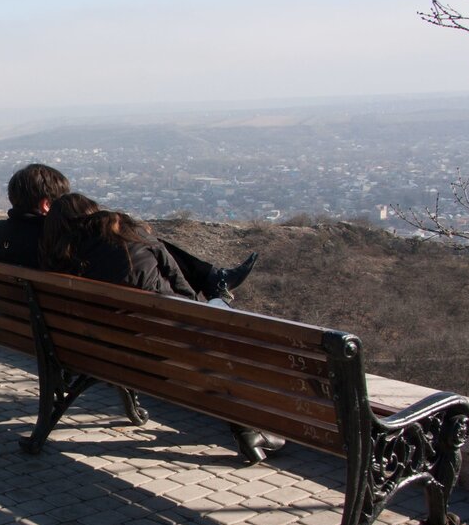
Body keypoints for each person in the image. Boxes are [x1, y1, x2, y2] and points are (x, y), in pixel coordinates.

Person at [40, 192, 286, 464]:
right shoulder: (132, 237)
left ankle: (246, 428)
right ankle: (245, 426)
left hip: (100, 355)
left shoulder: (57, 258)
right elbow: (185, 294)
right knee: (217, 318)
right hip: (163, 352)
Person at [0, 163, 257, 301]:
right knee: (141, 243)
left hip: (26, 327)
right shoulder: (61, 242)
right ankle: (213, 278)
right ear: (47, 205)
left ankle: (212, 276)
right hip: (92, 343)